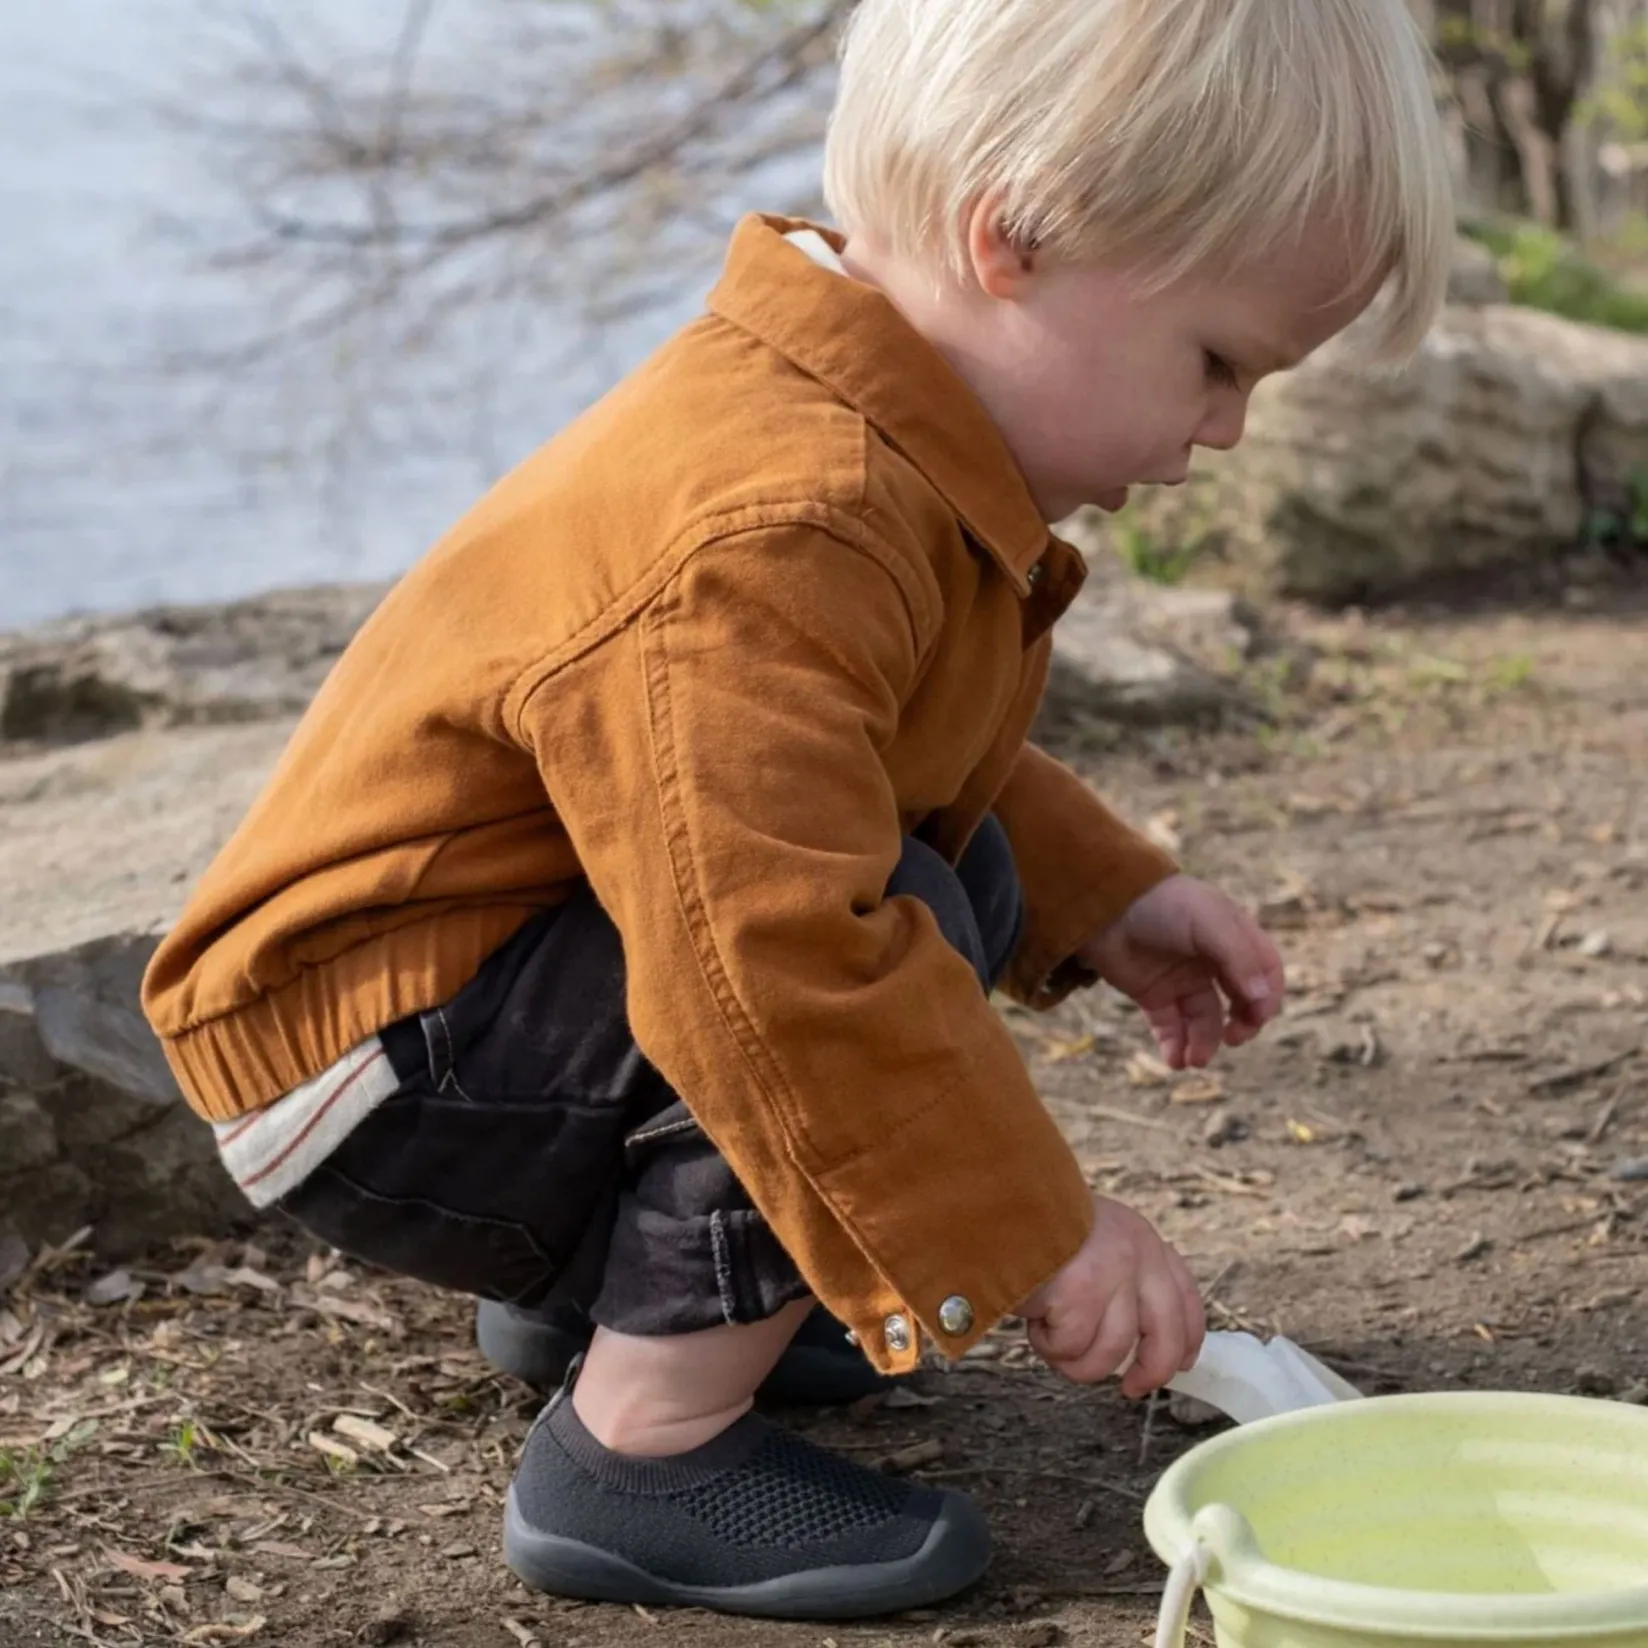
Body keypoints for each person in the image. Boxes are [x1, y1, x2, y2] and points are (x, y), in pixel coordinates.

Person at [142, 0, 1453, 1621]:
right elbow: (773, 953)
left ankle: (624, 1299)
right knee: (844, 934)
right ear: (1014, 238)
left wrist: (1101, 895)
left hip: (479, 1016)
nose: (1227, 429)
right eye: (1216, 361)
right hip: (379, 1065)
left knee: (934, 879)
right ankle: (638, 1446)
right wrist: (1040, 1228)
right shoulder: (785, 513)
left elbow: (859, 757)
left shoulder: (865, 427)